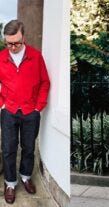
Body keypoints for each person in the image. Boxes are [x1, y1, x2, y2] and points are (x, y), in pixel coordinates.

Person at [0, 20, 50, 204]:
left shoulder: (36, 57)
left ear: (24, 38)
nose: (12, 47)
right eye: (9, 43)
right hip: (9, 112)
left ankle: (26, 176)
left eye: (16, 43)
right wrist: (2, 104)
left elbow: (45, 82)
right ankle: (10, 183)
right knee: (8, 149)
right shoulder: (1, 58)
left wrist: (38, 107)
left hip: (30, 111)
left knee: (28, 147)